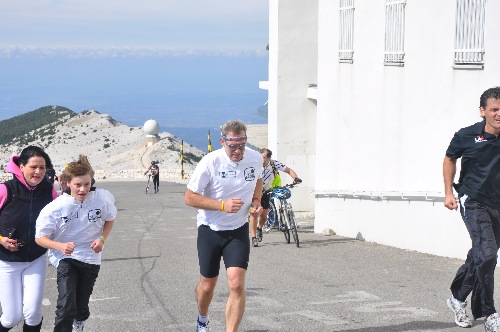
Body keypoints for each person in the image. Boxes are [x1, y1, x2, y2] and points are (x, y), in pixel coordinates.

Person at [185, 120, 263, 332]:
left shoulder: (255, 158)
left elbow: (258, 179)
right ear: (223, 142)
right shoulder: (210, 162)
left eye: (242, 145)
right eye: (233, 146)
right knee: (207, 286)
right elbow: (190, 198)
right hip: (210, 230)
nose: (238, 150)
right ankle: (202, 317)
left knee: (236, 285)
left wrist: (256, 200)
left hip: (238, 231)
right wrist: (221, 205)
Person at [35, 155, 117, 332]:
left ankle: (79, 323)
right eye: (78, 185)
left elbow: (110, 219)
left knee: (81, 306)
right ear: (67, 183)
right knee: (66, 305)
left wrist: (102, 238)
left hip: (91, 258)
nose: (82, 190)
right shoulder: (55, 207)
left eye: (86, 184)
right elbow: (40, 237)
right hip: (65, 258)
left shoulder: (101, 199)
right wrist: (60, 247)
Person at [443, 86, 500, 331]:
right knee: (487, 255)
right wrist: (448, 193)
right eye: (494, 109)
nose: (499, 114)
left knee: (480, 255)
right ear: (483, 111)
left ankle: (457, 298)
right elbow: (449, 158)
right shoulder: (467, 136)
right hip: (473, 200)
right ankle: (488, 313)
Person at [0, 146, 58, 332]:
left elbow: (63, 217)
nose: (38, 171)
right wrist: (1, 239)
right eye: (34, 166)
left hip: (36, 258)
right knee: (11, 317)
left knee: (33, 314)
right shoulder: (5, 189)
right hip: (7, 262)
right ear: (21, 166)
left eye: (42, 167)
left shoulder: (49, 192)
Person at [249, 148, 302, 247]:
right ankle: (254, 237)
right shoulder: (255, 165)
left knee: (264, 216)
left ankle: (259, 228)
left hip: (266, 191)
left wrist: (295, 178)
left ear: (269, 158)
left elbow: (288, 170)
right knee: (255, 213)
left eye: (264, 158)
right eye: (260, 157)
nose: (262, 160)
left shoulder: (274, 164)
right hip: (254, 192)